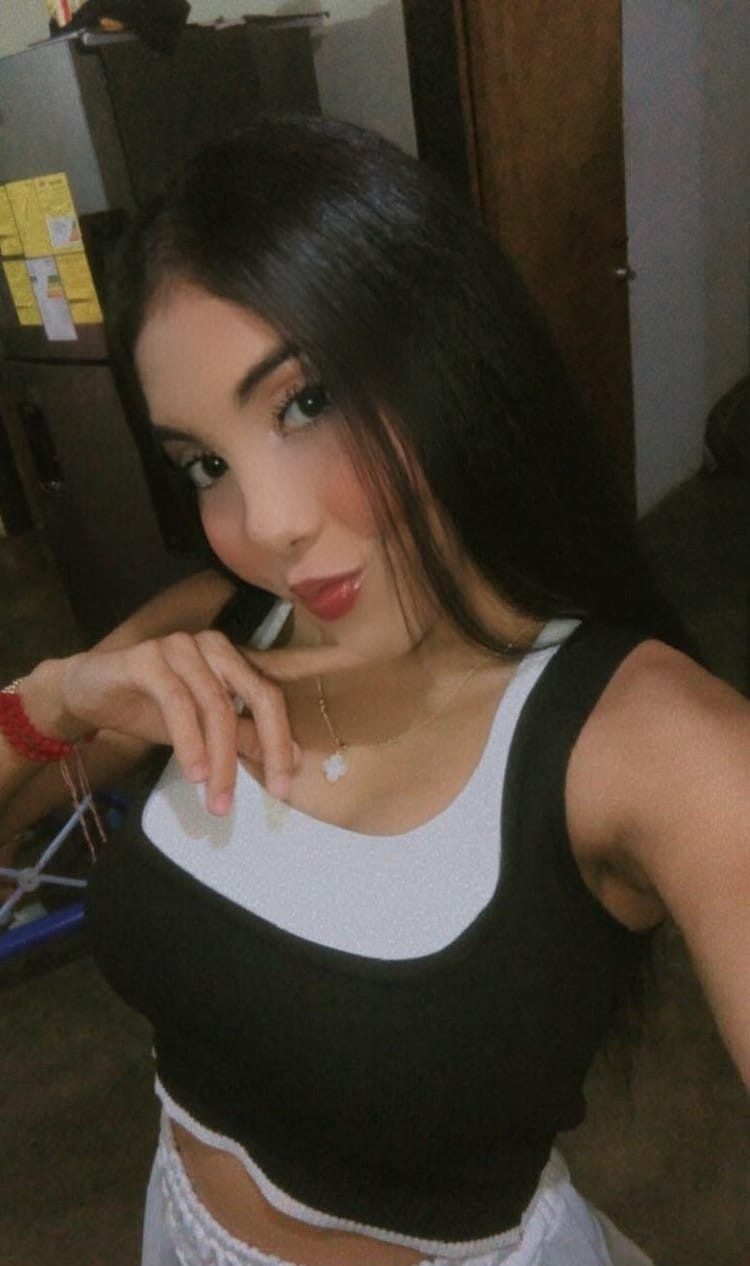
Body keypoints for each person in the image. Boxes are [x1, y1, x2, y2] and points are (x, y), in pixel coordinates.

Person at [1, 115, 748, 1266]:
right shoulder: (211, 631)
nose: (270, 526)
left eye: (307, 402)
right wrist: (55, 699)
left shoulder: (646, 737)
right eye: (206, 463)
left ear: (449, 353)